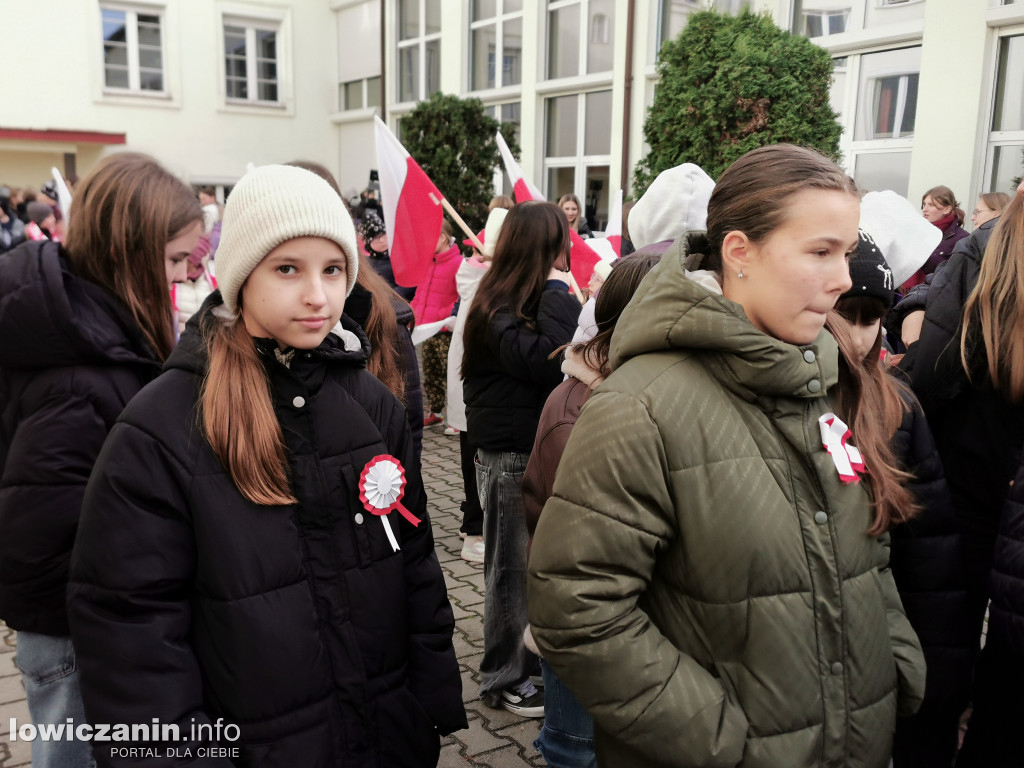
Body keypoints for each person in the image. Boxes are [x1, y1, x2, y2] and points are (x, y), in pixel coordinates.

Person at [528, 144, 925, 767]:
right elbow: (576, 608)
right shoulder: (641, 406)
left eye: (845, 253)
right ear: (739, 252)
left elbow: (862, 556)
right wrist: (722, 741)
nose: (845, 278)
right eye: (821, 251)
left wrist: (895, 663)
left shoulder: (820, 381)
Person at [67, 164, 466, 767]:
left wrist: (427, 704)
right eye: (288, 269)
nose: (318, 295)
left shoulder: (371, 406)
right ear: (240, 277)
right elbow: (133, 637)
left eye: (333, 270)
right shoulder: (161, 429)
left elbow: (414, 561)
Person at [0, 152, 203, 768]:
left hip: (85, 621)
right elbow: (42, 530)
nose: (182, 277)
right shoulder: (80, 375)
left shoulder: (92, 329)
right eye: (172, 261)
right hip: (74, 631)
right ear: (129, 251)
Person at [833, 234, 973, 768]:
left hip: (875, 660)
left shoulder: (896, 408)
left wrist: (935, 686)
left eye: (872, 317)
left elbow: (930, 561)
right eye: (846, 312)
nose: (858, 333)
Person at [522, 251, 662, 768]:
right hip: (586, 626)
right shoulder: (581, 412)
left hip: (627, 625)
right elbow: (580, 548)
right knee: (575, 750)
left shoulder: (646, 394)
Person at [463, 201, 580, 717]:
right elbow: (554, 361)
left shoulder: (512, 299)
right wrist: (560, 292)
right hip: (510, 455)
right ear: (545, 246)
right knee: (509, 571)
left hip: (519, 451)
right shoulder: (501, 306)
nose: (570, 247)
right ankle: (504, 676)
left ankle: (517, 668)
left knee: (523, 568)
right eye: (562, 239)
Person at [447, 209, 507, 564]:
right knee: (475, 459)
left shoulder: (490, 282)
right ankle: (474, 529)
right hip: (476, 393)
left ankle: (476, 518)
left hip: (486, 395)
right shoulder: (479, 282)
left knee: (483, 459)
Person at [413, 220, 460, 428]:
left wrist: (445, 315)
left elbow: (460, 298)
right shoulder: (428, 262)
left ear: (442, 237)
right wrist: (413, 313)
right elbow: (420, 293)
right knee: (431, 372)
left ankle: (457, 418)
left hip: (445, 329)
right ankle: (436, 412)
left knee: (450, 374)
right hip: (427, 328)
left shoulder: (458, 264)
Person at [900, 185, 969, 292]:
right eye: (924, 204)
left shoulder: (962, 239)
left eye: (931, 205)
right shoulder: (917, 232)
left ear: (947, 209)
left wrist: (922, 253)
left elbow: (952, 276)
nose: (924, 209)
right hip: (905, 294)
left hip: (933, 297)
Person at [359, 210, 416, 303]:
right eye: (376, 238)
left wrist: (390, 296)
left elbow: (410, 284)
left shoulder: (400, 256)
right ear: (368, 243)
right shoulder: (367, 263)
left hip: (400, 303)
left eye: (383, 235)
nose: (382, 240)